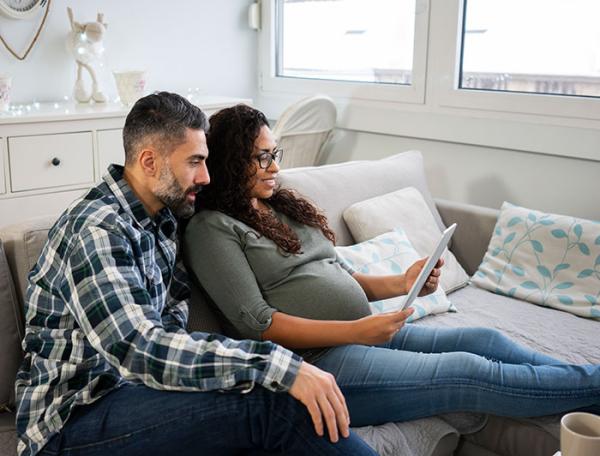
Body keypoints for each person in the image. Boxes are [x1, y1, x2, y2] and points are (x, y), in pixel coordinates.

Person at [184, 103, 600, 429]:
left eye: (274, 154)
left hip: (359, 339)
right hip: (316, 366)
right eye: (260, 158)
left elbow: (339, 277)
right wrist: (356, 330)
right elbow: (258, 324)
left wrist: (403, 282)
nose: (275, 167)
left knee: (484, 340)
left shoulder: (280, 206)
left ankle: (587, 385)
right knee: (468, 372)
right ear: (229, 162)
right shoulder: (211, 228)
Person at [15, 92, 378, 456]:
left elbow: (174, 331)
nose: (206, 176)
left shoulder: (162, 221)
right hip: (73, 420)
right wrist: (278, 364)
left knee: (262, 401)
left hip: (137, 394)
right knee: (276, 405)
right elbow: (140, 348)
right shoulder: (97, 230)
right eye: (195, 162)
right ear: (149, 161)